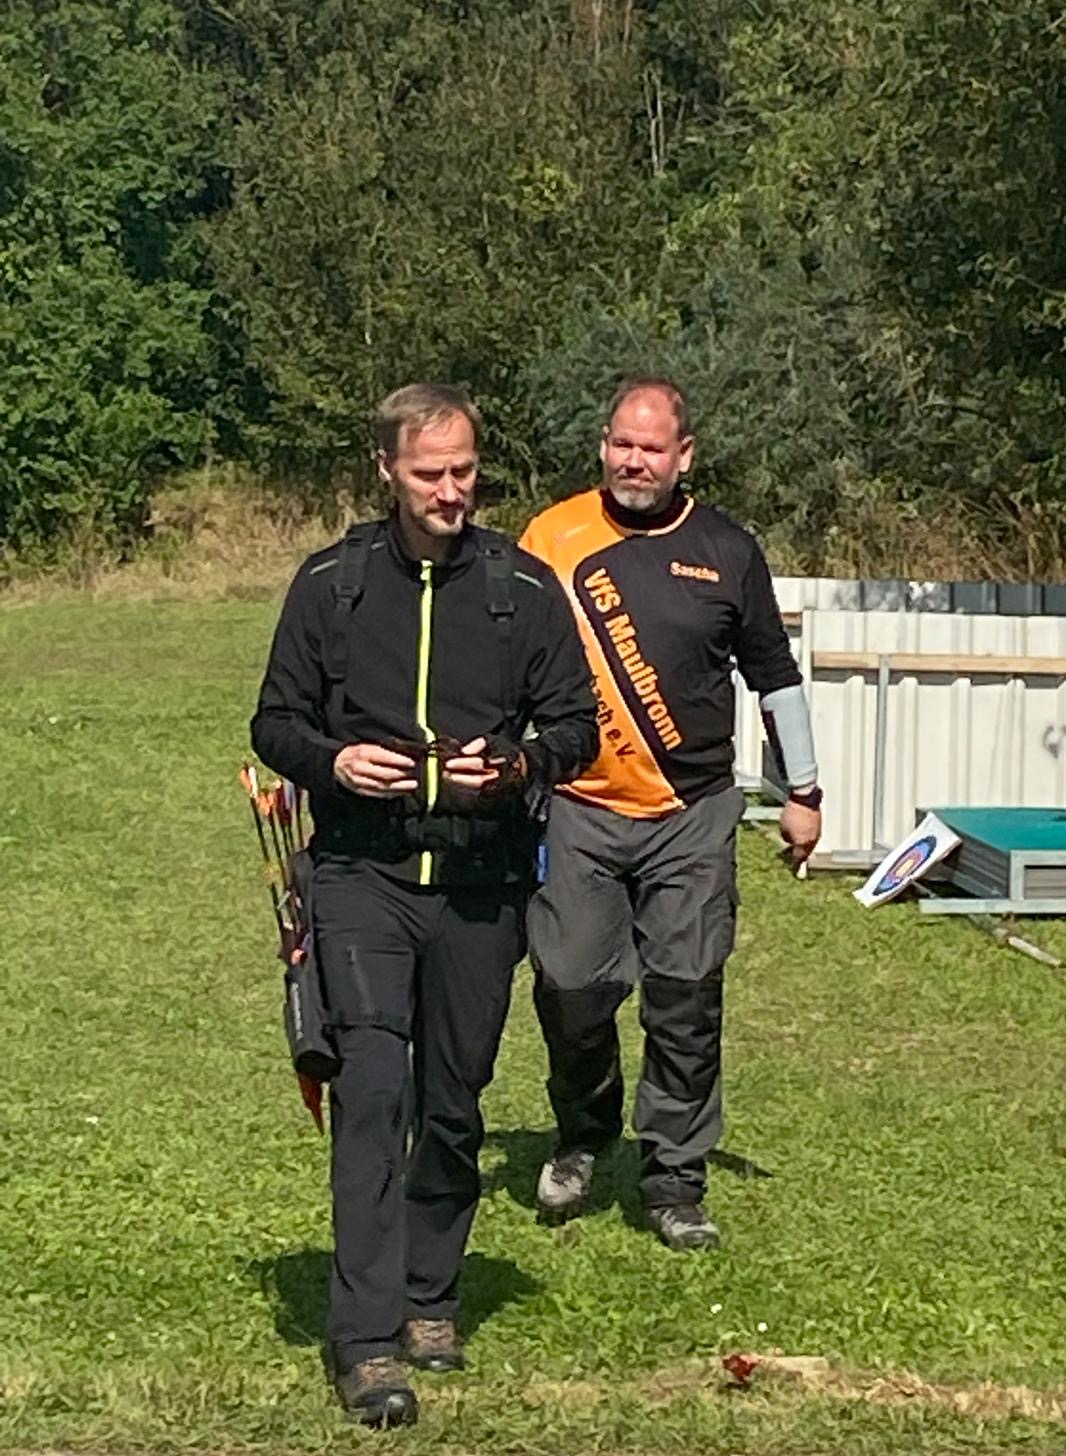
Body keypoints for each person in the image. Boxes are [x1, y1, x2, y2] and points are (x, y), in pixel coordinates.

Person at [251, 383, 598, 1428]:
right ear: (387, 473)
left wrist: (521, 764)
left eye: (464, 471)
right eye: (429, 473)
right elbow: (275, 722)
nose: (451, 491)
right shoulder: (333, 584)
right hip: (362, 875)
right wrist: (334, 761)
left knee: (453, 1100)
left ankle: (429, 1294)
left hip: (483, 885)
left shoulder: (522, 588)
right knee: (370, 1093)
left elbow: (576, 728)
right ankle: (364, 1341)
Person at [520, 376, 822, 1252]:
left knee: (686, 1002)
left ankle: (675, 1180)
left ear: (684, 455)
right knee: (570, 992)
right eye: (622, 443)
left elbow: (774, 676)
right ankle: (583, 1133)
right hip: (577, 806)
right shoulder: (550, 538)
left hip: (691, 813)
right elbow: (503, 661)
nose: (634, 461)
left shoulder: (728, 550)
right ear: (603, 445)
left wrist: (804, 793)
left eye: (651, 448)